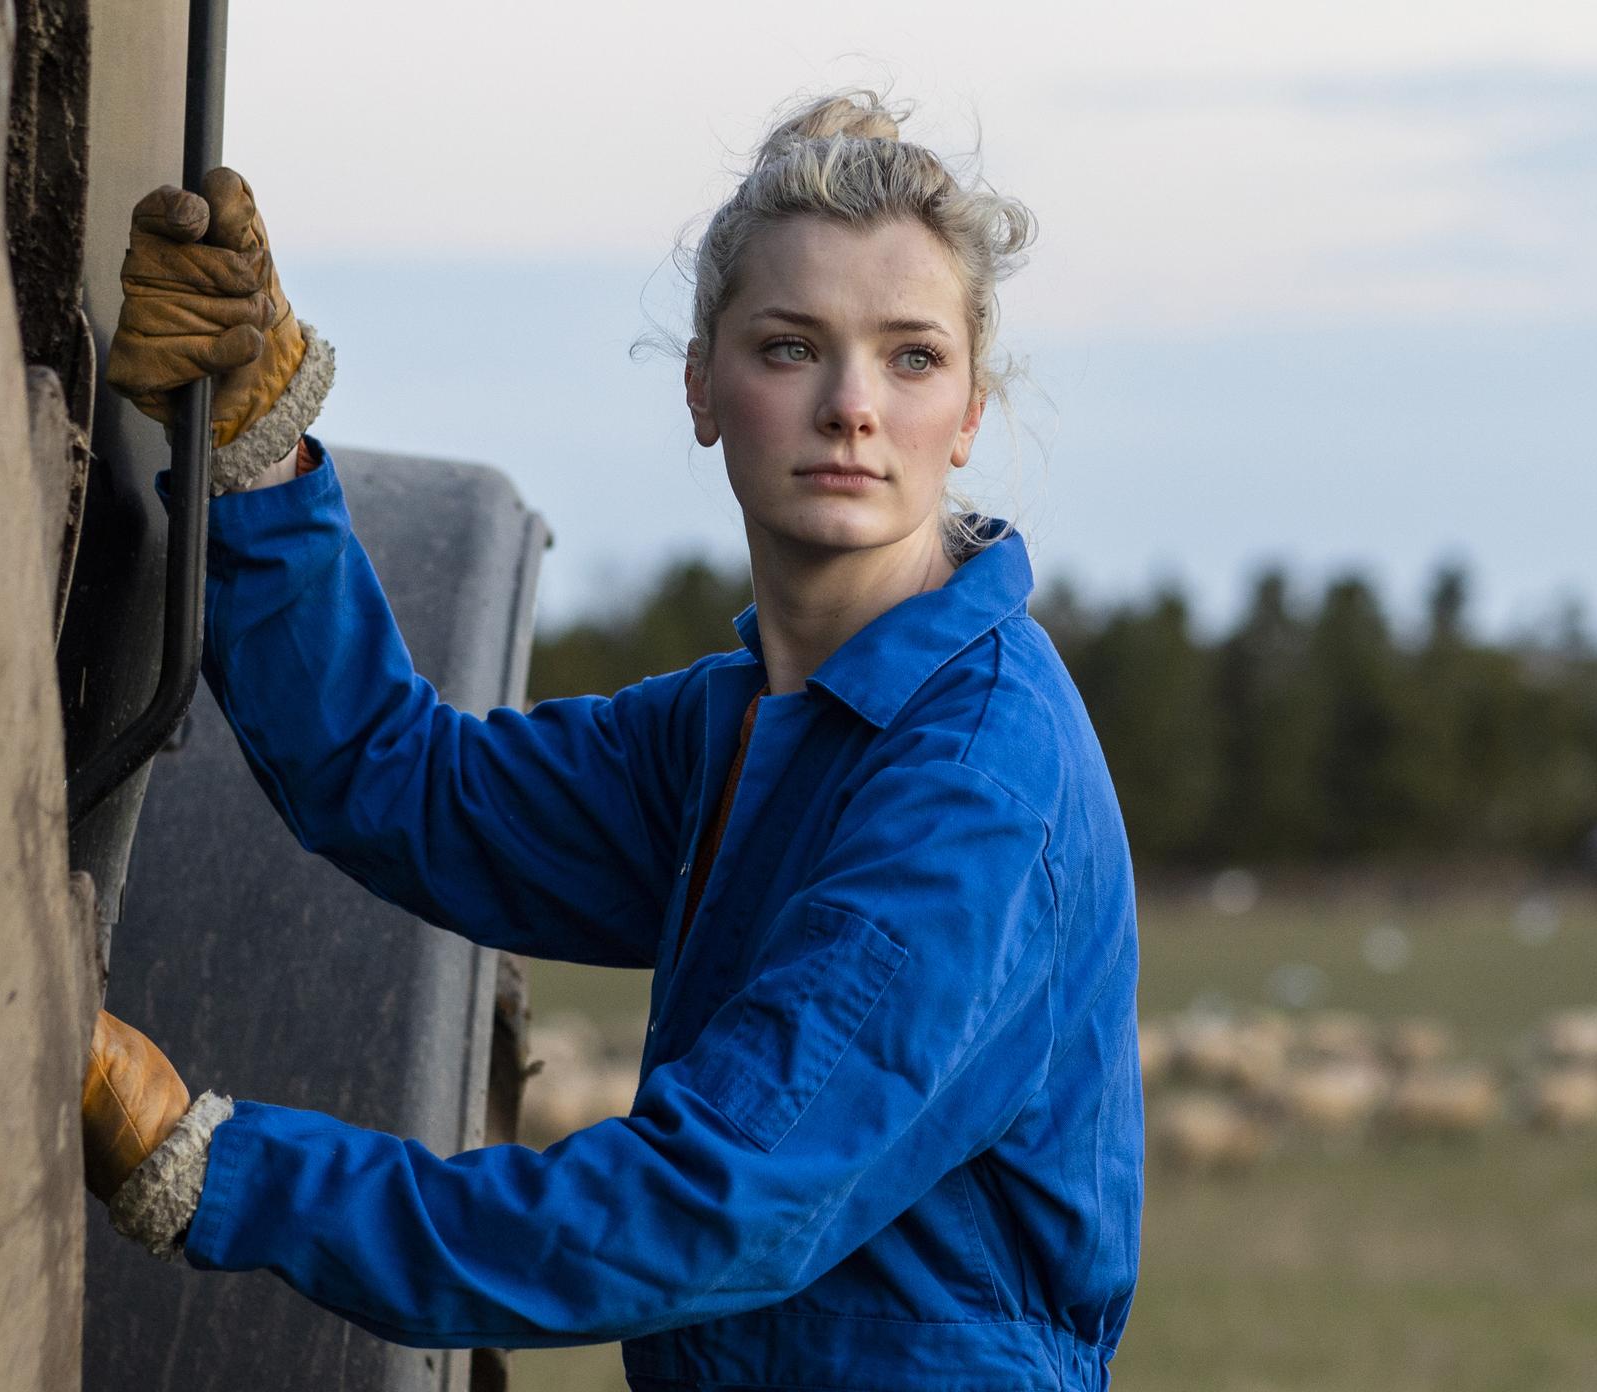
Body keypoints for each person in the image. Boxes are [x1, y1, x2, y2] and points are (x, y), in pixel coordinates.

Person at [78, 89, 1140, 1391]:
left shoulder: (974, 779)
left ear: (969, 410)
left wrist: (214, 1167)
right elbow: (408, 787)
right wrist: (255, 450)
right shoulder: (735, 733)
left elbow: (706, 1204)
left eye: (912, 356)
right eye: (792, 347)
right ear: (703, 386)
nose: (853, 405)